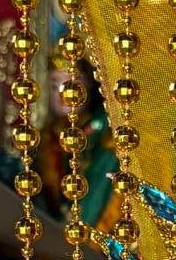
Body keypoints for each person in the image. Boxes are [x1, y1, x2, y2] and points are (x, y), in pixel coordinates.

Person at [37, 56, 120, 233]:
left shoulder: (107, 135)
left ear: (90, 85)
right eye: (54, 86)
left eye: (74, 84)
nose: (64, 94)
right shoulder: (45, 138)